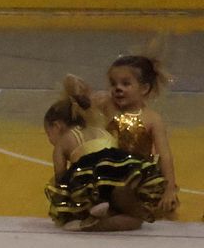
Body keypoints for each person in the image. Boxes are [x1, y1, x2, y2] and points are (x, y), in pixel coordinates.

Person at [44, 75, 163, 231]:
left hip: (93, 179)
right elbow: (119, 154)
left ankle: (94, 214)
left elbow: (60, 176)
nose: (50, 139)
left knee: (81, 191)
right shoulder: (101, 130)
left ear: (57, 126)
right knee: (134, 220)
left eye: (48, 134)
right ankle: (114, 210)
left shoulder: (63, 141)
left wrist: (67, 207)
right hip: (120, 174)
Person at [90, 54, 179, 217]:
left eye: (126, 83)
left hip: (138, 176)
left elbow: (165, 156)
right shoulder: (108, 106)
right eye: (113, 83)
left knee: (142, 202)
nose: (118, 88)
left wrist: (169, 189)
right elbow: (79, 97)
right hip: (109, 172)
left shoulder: (152, 119)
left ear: (144, 89)